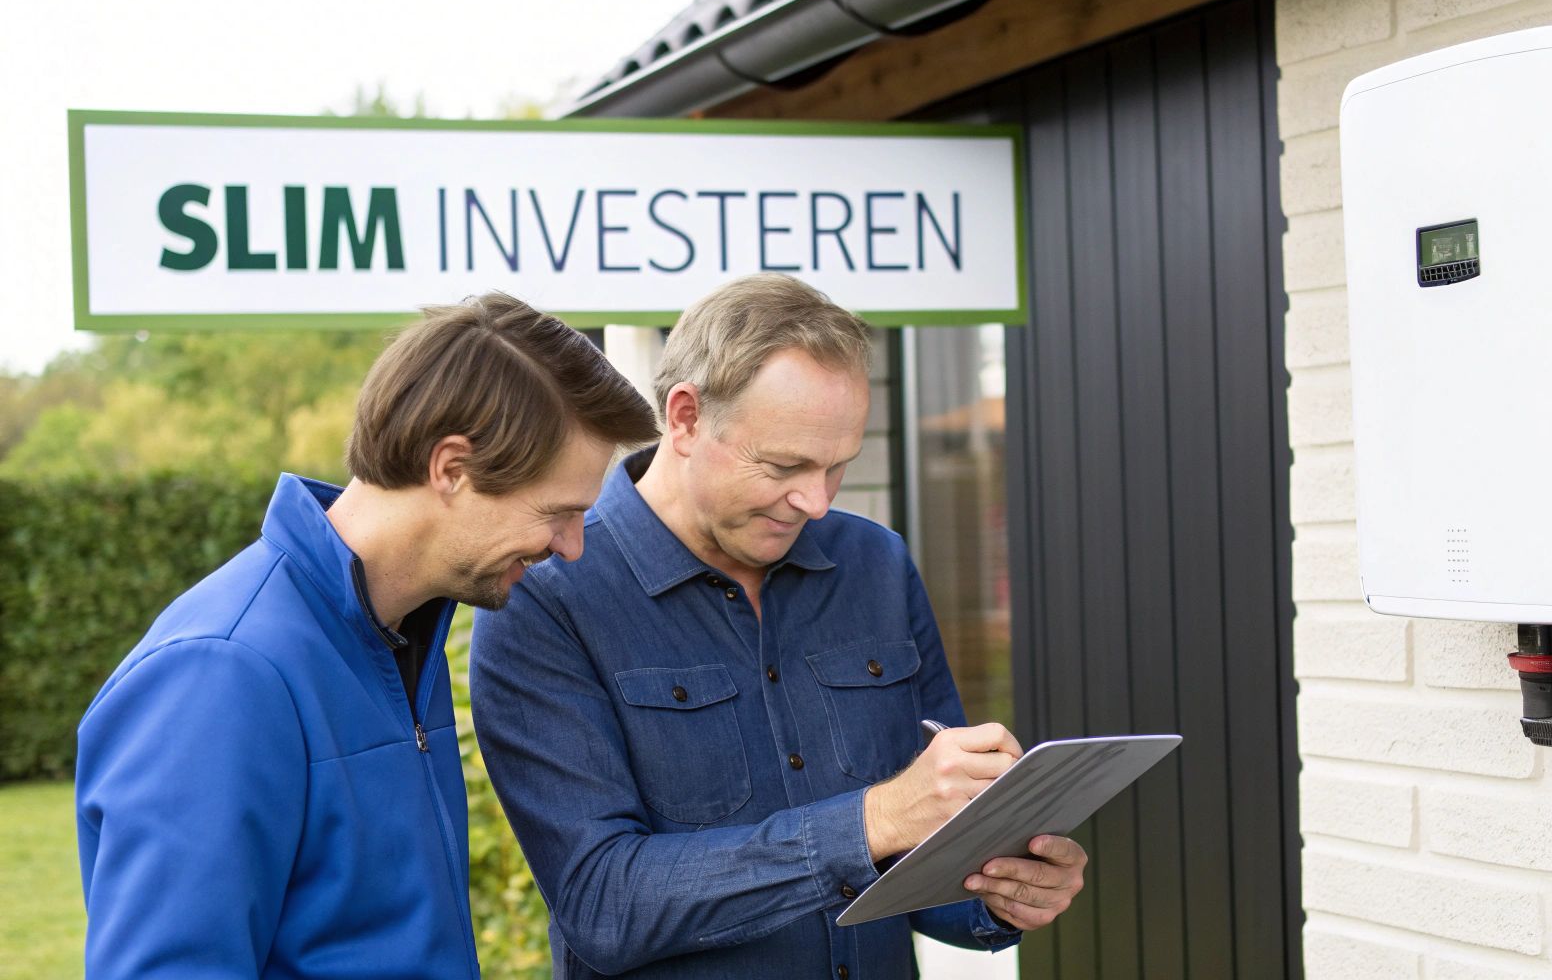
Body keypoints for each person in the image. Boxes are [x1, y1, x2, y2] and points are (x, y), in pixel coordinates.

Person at [470, 273, 1087, 980]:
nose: (816, 502)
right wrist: (870, 822)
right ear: (685, 417)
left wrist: (1001, 891)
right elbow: (604, 905)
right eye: (785, 465)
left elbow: (925, 856)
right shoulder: (549, 596)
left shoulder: (875, 565)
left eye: (837, 467)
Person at [75, 294, 658, 980]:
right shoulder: (222, 672)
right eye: (557, 512)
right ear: (451, 468)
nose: (572, 546)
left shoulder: (404, 636)